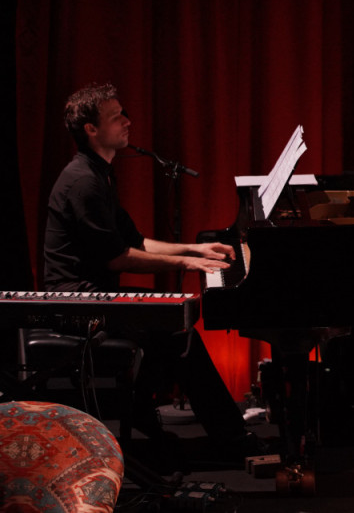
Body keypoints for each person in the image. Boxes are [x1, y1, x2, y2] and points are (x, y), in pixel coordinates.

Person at [43, 82, 255, 459]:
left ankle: (150, 416)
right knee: (173, 328)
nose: (128, 121)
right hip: (76, 302)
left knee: (174, 328)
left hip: (94, 294)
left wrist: (195, 247)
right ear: (91, 129)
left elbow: (136, 242)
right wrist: (185, 262)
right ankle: (229, 440)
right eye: (116, 117)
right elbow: (118, 259)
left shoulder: (100, 174)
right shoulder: (83, 182)